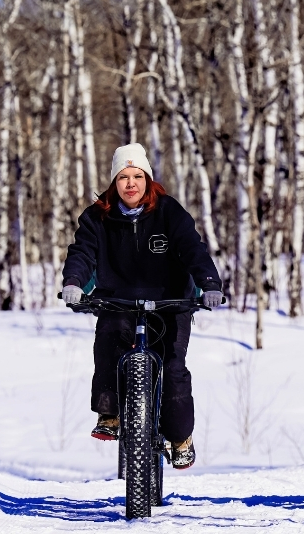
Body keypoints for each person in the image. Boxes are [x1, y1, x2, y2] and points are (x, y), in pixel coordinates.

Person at [61, 143, 224, 470]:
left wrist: (209, 284)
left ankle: (180, 437)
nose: (131, 183)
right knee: (108, 342)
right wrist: (74, 282)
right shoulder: (97, 217)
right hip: (118, 301)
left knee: (173, 367)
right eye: (123, 177)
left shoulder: (168, 211)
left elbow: (193, 249)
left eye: (137, 176)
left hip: (170, 302)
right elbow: (82, 253)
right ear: (114, 181)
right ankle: (110, 414)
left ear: (148, 179)